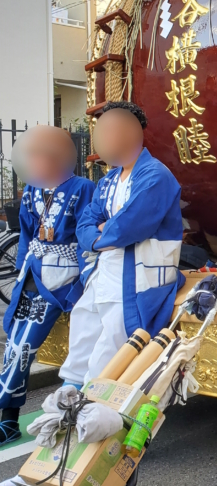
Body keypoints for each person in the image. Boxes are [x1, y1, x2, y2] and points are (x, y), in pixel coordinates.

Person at [59, 102, 184, 388]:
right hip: (103, 270)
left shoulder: (155, 175)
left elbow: (129, 225)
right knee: (83, 327)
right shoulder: (109, 180)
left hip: (138, 275)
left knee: (112, 342)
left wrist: (101, 233)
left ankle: (91, 410)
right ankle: (69, 396)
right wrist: (98, 234)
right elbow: (86, 222)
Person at [0, 128, 94, 445]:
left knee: (24, 344)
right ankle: (8, 418)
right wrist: (22, 264)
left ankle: (8, 417)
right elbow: (26, 232)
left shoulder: (83, 188)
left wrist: (86, 279)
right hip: (32, 274)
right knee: (15, 343)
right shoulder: (31, 189)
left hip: (63, 279)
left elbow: (86, 236)